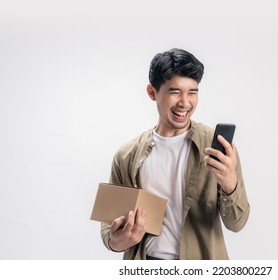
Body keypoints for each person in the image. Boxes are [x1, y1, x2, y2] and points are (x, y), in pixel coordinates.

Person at [100, 48, 250, 260]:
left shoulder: (217, 147)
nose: (185, 102)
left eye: (192, 92)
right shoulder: (127, 156)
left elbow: (237, 223)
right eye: (175, 91)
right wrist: (119, 240)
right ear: (152, 92)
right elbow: (109, 230)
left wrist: (230, 184)